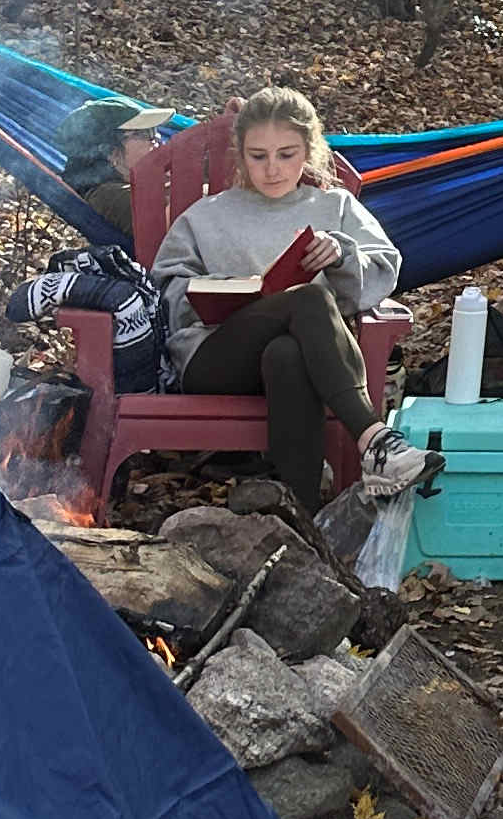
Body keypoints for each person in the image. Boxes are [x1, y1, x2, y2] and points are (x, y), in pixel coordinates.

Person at [151, 87, 429, 508]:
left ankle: (300, 517)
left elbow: (383, 270)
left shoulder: (335, 207)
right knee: (307, 298)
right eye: (258, 156)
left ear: (309, 150)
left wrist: (342, 255)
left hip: (307, 358)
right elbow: (166, 287)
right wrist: (222, 288)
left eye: (286, 154)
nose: (272, 169)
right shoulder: (206, 215)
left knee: (287, 352)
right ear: (240, 154)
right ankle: (374, 439)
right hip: (216, 357)